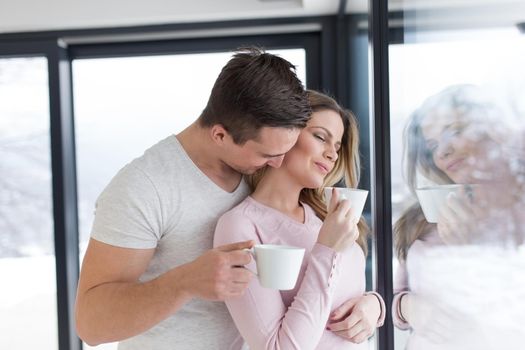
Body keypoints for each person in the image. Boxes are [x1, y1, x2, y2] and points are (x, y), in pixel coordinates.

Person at [74, 47, 313, 349]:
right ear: (220, 135)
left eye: (283, 153)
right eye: (267, 154)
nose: (279, 164)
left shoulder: (263, 174)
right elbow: (91, 324)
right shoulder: (143, 188)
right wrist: (184, 282)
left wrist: (370, 305)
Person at [214, 90, 385, 349]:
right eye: (320, 137)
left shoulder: (324, 216)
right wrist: (326, 249)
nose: (332, 154)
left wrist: (374, 305)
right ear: (284, 134)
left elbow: (343, 291)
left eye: (337, 147)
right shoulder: (241, 226)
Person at [392, 84, 525, 349]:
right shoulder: (422, 216)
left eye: (454, 132)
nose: (443, 152)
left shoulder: (515, 213)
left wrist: (472, 249)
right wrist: (410, 308)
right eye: (432, 146)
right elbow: (396, 294)